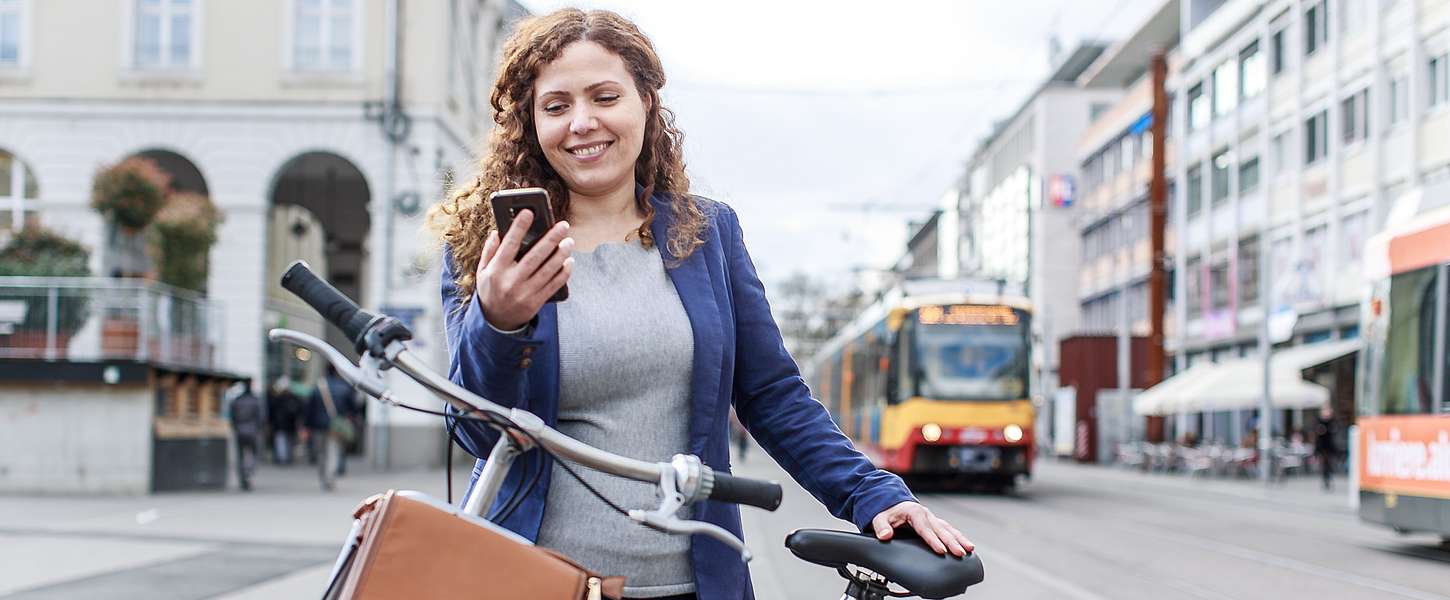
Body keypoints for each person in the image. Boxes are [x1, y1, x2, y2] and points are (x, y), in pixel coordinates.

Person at [429, 10, 971, 600]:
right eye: (555, 106)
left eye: (604, 97)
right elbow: (478, 434)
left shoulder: (706, 234)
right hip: (528, 582)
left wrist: (876, 495)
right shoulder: (490, 245)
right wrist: (498, 324)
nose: (582, 123)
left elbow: (771, 395)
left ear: (645, 102)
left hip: (690, 584)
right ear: (531, 124)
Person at [305, 366, 357, 491]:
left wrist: (307, 426)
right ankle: (329, 478)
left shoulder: (317, 387)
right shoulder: (344, 388)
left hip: (318, 425)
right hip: (336, 426)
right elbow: (353, 407)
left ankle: (323, 477)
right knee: (332, 452)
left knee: (321, 453)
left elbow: (309, 409)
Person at [228, 379, 265, 492]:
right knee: (254, 454)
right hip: (252, 430)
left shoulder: (236, 400)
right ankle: (248, 472)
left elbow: (232, 417)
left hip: (240, 430)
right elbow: (261, 417)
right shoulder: (256, 400)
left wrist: (236, 427)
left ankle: (243, 477)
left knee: (240, 456)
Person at [267, 376, 301, 465]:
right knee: (288, 441)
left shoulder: (277, 398)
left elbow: (272, 411)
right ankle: (287, 458)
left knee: (281, 441)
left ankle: (283, 458)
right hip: (289, 424)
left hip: (280, 424)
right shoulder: (293, 398)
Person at [1312, 406, 1337, 491]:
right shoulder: (1319, 421)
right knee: (1323, 464)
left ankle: (1329, 478)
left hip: (1329, 446)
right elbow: (1317, 433)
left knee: (1329, 464)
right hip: (1321, 446)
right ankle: (1325, 480)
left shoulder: (1332, 421)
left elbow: (1334, 432)